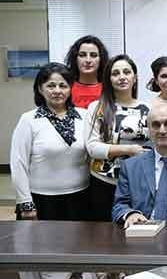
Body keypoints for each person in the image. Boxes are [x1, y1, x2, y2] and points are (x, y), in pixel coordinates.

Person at [10, 63, 90, 220]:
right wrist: (26, 203)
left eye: (63, 85)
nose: (57, 91)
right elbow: (18, 163)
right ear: (40, 89)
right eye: (51, 86)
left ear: (70, 88)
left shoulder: (85, 116)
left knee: (79, 244)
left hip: (81, 197)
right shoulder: (29, 120)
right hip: (41, 200)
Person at [85, 55, 150, 221]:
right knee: (103, 236)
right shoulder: (97, 107)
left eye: (127, 72)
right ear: (109, 79)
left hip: (137, 182)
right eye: (115, 73)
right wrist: (128, 150)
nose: (121, 77)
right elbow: (92, 147)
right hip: (104, 181)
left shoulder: (148, 108)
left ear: (134, 78)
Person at [64, 35, 108, 109]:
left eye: (93, 55)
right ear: (75, 59)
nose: (88, 60)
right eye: (82, 55)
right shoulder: (65, 88)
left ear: (101, 59)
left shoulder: (109, 89)